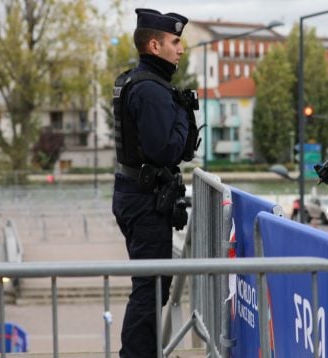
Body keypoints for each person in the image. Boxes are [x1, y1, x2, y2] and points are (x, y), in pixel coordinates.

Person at [111, 8, 198, 358]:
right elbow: (166, 150)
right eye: (175, 42)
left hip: (136, 194)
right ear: (154, 45)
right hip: (145, 200)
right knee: (150, 288)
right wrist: (183, 113)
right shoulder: (151, 90)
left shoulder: (138, 81)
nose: (181, 49)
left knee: (152, 285)